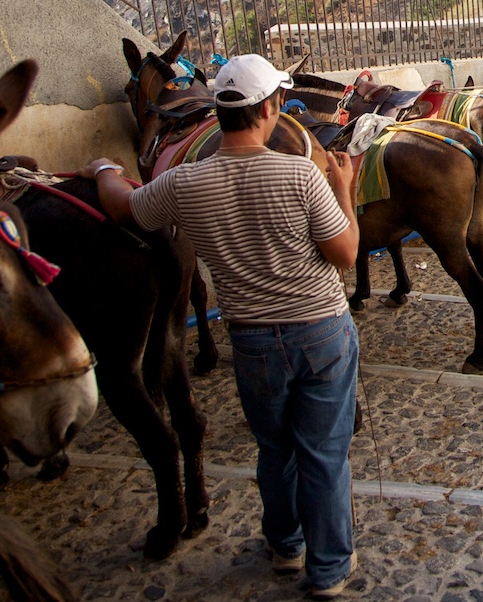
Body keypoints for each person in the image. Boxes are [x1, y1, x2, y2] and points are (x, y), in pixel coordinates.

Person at [77, 54, 360, 599]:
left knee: (274, 449)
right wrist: (344, 186)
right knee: (323, 452)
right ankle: (327, 570)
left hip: (251, 338)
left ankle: (284, 547)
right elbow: (345, 254)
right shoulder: (301, 172)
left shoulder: (185, 181)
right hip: (320, 330)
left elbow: (125, 209)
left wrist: (104, 171)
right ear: (270, 107)